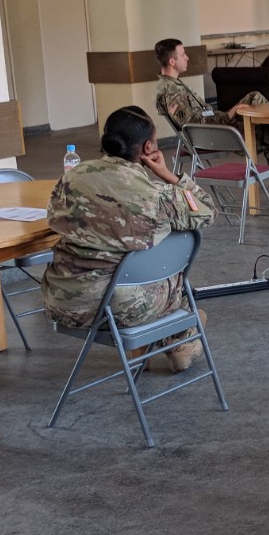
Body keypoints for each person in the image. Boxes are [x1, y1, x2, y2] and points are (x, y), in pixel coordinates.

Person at [42, 105, 215, 372]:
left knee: (128, 267)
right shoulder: (156, 196)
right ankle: (182, 338)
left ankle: (169, 345)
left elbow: (53, 216)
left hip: (64, 301)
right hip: (121, 309)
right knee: (177, 282)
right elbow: (205, 210)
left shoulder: (71, 178)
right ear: (148, 148)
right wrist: (170, 176)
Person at [152, 38, 269, 205]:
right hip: (215, 136)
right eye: (183, 54)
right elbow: (196, 124)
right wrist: (229, 114)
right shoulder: (172, 92)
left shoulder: (173, 85)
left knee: (254, 96)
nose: (187, 57)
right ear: (172, 61)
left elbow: (201, 117)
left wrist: (228, 114)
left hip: (216, 129)